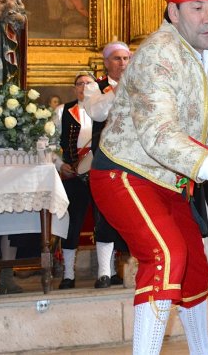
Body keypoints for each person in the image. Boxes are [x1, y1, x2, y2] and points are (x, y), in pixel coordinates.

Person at [89, 0, 208, 355]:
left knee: (195, 268)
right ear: (173, 11)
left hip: (172, 181)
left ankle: (203, 351)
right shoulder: (156, 55)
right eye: (196, 8)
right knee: (166, 255)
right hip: (124, 173)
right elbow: (158, 136)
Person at [82, 41, 132, 289]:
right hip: (106, 158)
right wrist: (117, 90)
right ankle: (104, 271)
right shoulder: (95, 87)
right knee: (105, 212)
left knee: (133, 210)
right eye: (117, 59)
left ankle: (132, 268)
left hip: (134, 157)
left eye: (126, 59)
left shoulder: (139, 85)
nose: (123, 63)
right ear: (106, 62)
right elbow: (97, 113)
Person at [52, 72, 95, 289]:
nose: (84, 87)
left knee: (106, 220)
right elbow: (49, 146)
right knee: (72, 223)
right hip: (73, 175)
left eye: (89, 83)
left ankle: (109, 272)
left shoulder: (105, 111)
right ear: (74, 88)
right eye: (80, 84)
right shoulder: (62, 111)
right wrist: (61, 166)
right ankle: (68, 274)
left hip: (99, 173)